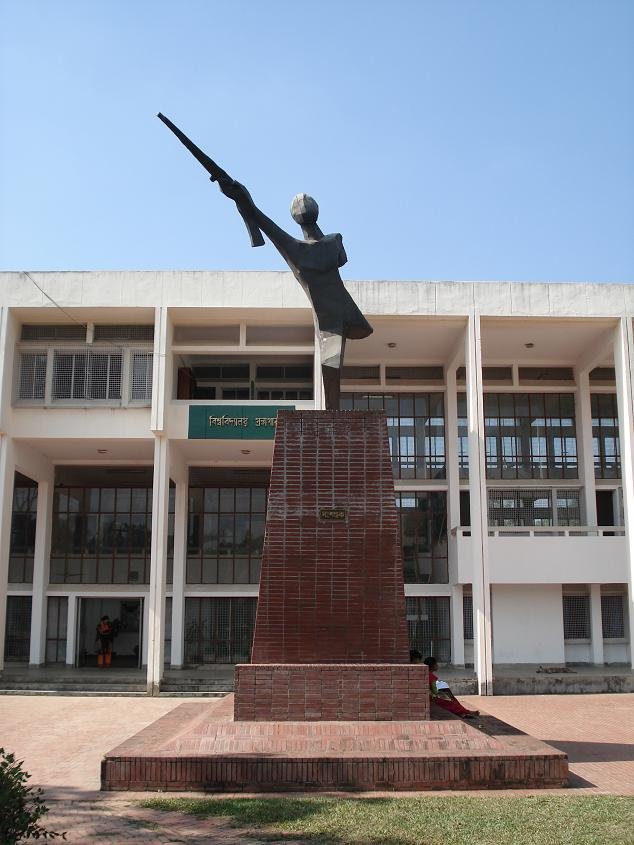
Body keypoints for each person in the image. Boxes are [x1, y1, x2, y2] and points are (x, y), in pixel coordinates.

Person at [220, 183, 373, 410]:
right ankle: (333, 419)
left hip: (330, 322)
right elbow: (342, 260)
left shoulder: (295, 248)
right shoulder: (334, 241)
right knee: (332, 371)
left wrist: (241, 200)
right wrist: (242, 200)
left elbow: (261, 219)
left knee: (330, 372)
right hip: (344, 313)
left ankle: (332, 418)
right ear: (317, 211)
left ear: (294, 218)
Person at [411, 651, 478, 719]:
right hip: (431, 697)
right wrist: (439, 694)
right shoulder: (431, 676)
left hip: (429, 695)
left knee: (451, 699)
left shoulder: (424, 673)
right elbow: (434, 691)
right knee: (450, 700)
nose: (437, 666)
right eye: (436, 664)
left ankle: (464, 712)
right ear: (432, 666)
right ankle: (465, 712)